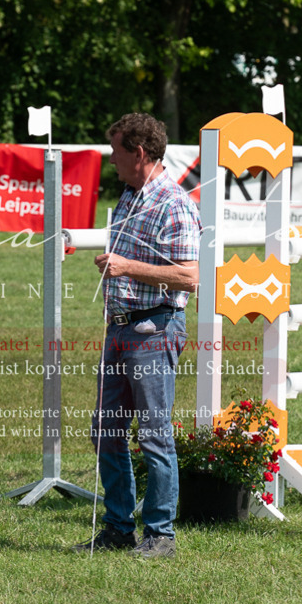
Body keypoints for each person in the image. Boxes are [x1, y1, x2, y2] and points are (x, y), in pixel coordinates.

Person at [74, 112, 201, 559]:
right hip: (120, 326)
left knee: (153, 433)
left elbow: (190, 277)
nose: (111, 161)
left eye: (116, 152)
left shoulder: (175, 203)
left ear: (140, 153)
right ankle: (118, 527)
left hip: (156, 327)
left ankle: (161, 533)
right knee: (107, 430)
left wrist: (127, 268)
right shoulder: (129, 195)